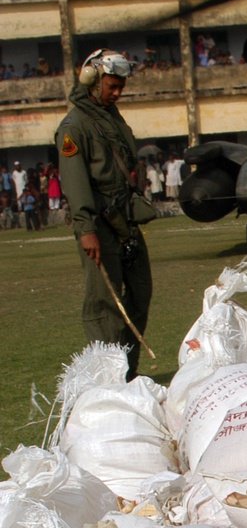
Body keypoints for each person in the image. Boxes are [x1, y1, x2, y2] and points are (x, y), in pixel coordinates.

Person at [54, 48, 153, 378]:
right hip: (98, 224)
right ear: (92, 80)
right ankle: (110, 377)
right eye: (112, 85)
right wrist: (86, 228)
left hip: (126, 220)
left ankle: (127, 370)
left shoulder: (111, 117)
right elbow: (75, 181)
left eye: (121, 87)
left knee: (140, 292)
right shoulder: (74, 126)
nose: (117, 92)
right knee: (104, 304)